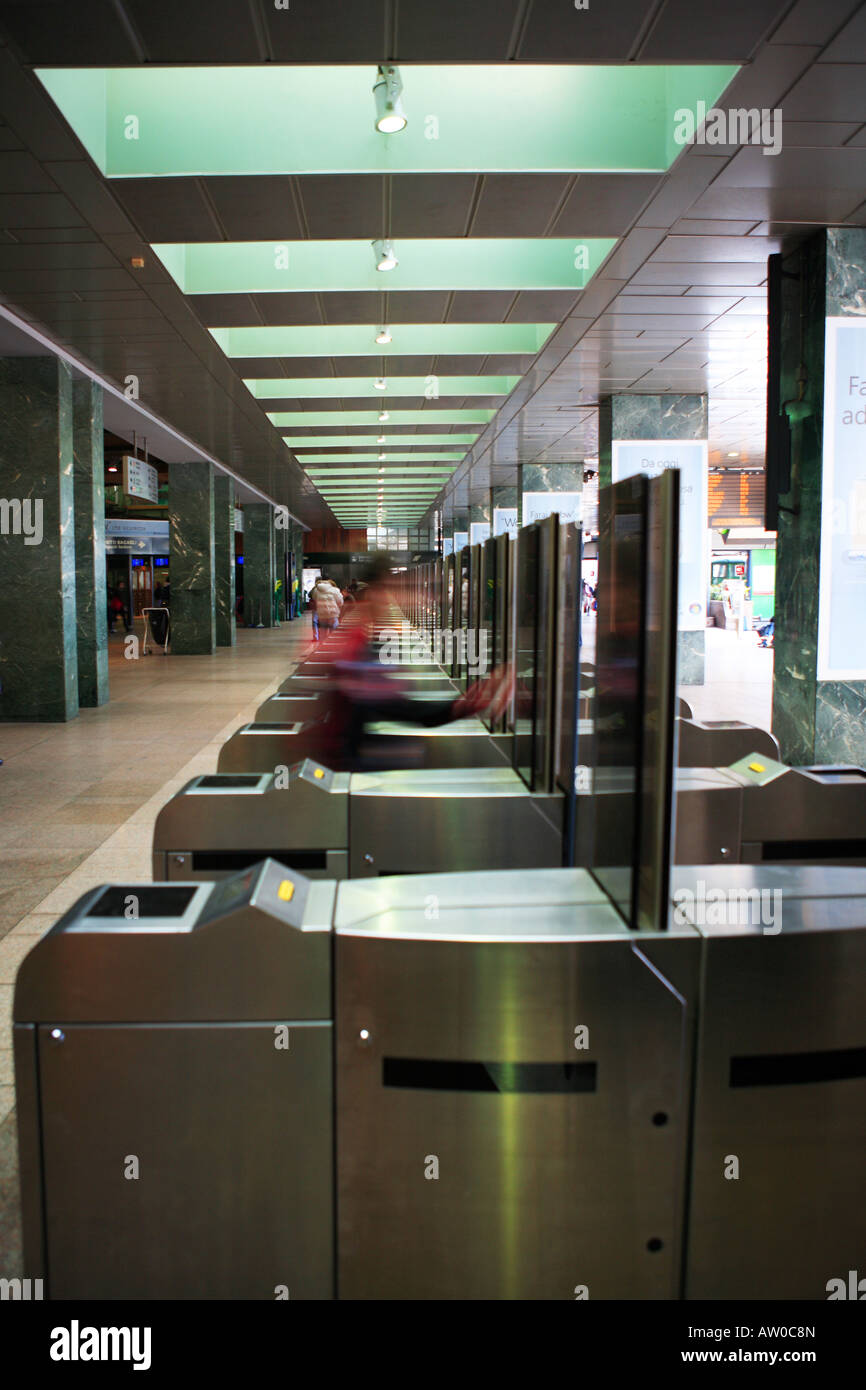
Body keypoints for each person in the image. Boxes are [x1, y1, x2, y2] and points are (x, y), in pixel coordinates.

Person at [304, 553, 514, 771]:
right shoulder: (356, 645)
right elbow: (401, 708)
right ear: (375, 592)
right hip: (343, 760)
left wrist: (462, 704)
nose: (394, 599)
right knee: (433, 758)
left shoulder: (361, 637)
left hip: (348, 747)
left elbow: (395, 703)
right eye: (390, 590)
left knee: (426, 754)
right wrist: (465, 704)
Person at [309, 573, 343, 642]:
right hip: (333, 614)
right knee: (334, 634)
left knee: (323, 634)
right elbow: (340, 602)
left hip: (321, 615)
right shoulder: (335, 589)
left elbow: (314, 599)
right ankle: (333, 649)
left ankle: (323, 647)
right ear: (330, 580)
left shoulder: (316, 590)